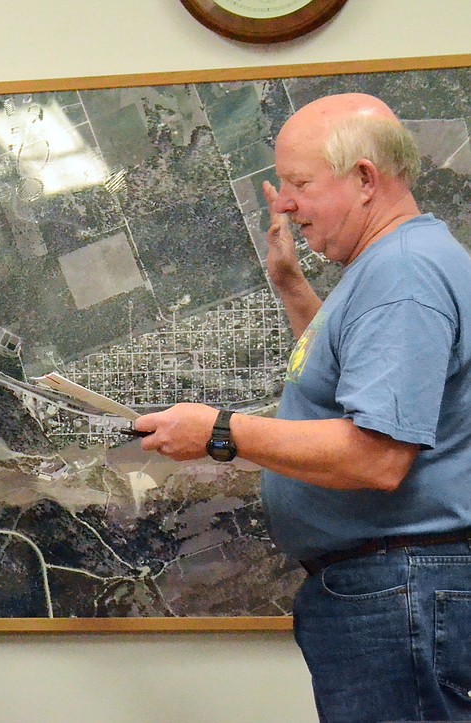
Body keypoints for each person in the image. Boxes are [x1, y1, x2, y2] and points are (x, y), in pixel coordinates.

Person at [134, 93, 471, 721]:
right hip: (391, 590)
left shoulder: (402, 274)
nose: (284, 202)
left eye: (299, 183)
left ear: (366, 179)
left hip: (401, 591)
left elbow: (377, 456)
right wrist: (291, 286)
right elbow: (358, 381)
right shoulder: (393, 264)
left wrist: (221, 431)